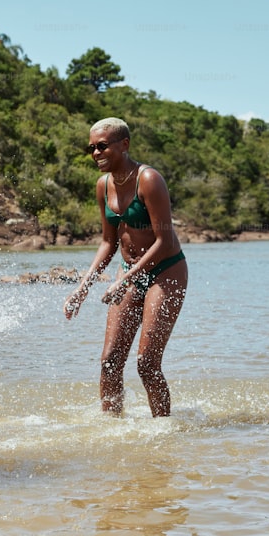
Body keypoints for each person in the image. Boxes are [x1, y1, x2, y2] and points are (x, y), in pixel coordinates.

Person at [64, 117, 188, 417]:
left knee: (146, 363)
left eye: (103, 146)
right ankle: (113, 430)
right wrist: (83, 286)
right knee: (110, 360)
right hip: (128, 271)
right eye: (92, 148)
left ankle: (163, 430)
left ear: (125, 144)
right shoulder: (103, 185)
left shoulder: (149, 179)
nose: (96, 153)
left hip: (165, 270)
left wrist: (126, 278)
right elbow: (108, 243)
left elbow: (164, 239)